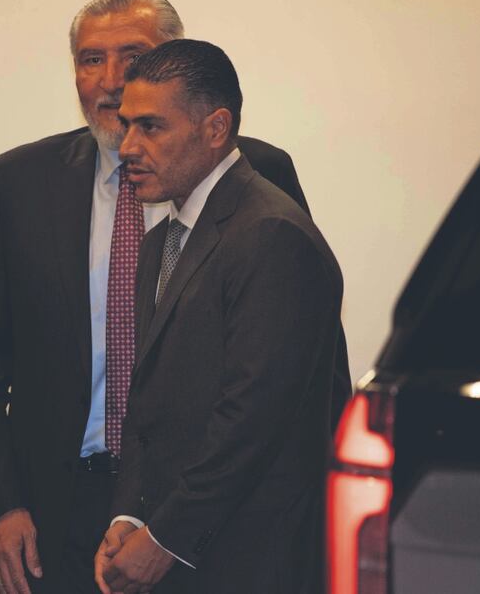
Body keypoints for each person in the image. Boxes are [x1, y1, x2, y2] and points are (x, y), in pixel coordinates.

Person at [0, 0, 346, 594]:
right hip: (64, 510)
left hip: (210, 513)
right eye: (89, 59)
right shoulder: (19, 182)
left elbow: (283, 375)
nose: (110, 82)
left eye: (133, 57)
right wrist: (0, 505)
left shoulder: (253, 179)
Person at [93, 40, 343, 594]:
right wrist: (128, 517)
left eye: (151, 127)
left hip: (251, 562)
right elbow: (149, 401)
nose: (127, 146)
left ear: (215, 127)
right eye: (126, 125)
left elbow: (252, 418)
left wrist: (165, 538)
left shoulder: (271, 233)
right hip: (183, 551)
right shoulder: (163, 239)